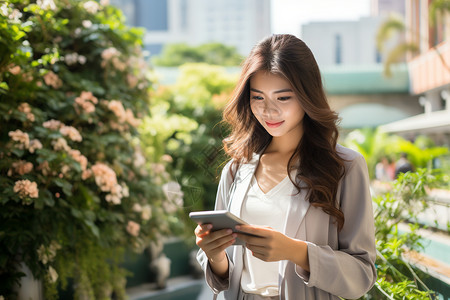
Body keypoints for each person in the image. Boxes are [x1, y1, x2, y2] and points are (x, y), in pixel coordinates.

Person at [194, 34, 376, 300]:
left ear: (306, 96)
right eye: (258, 97)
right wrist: (214, 254)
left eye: (283, 98)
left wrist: (295, 251)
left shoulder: (344, 167)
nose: (269, 111)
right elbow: (224, 275)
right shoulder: (237, 169)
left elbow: (362, 275)